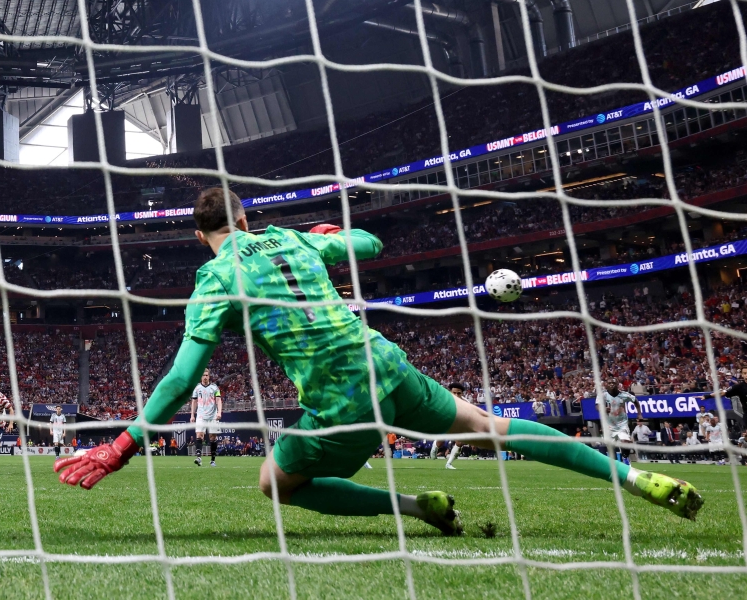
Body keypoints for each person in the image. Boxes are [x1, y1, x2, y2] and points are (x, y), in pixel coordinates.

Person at [54, 188, 704, 533]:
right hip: (385, 360)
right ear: (246, 216)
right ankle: (636, 479)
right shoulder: (290, 240)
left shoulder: (216, 276)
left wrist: (124, 444)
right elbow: (371, 239)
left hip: (343, 399)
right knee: (490, 426)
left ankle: (420, 507)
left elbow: (182, 376)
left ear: (201, 235)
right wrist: (332, 235)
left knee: (274, 485)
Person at [190, 368, 222, 467]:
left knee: (212, 437)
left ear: (209, 376)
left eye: (206, 375)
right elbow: (194, 402)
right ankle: (199, 458)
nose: (205, 377)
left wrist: (219, 412)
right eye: (203, 375)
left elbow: (219, 400)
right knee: (199, 435)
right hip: (200, 415)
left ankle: (212, 460)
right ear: (201, 377)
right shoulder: (197, 388)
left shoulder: (214, 387)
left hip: (212, 415)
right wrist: (192, 415)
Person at [602, 378, 637, 466]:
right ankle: (613, 463)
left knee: (625, 441)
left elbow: (635, 400)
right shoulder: (604, 395)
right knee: (610, 445)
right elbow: (598, 406)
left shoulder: (623, 395)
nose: (611, 385)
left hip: (622, 423)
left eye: (613, 383)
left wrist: (639, 414)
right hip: (610, 424)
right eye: (609, 383)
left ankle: (625, 457)